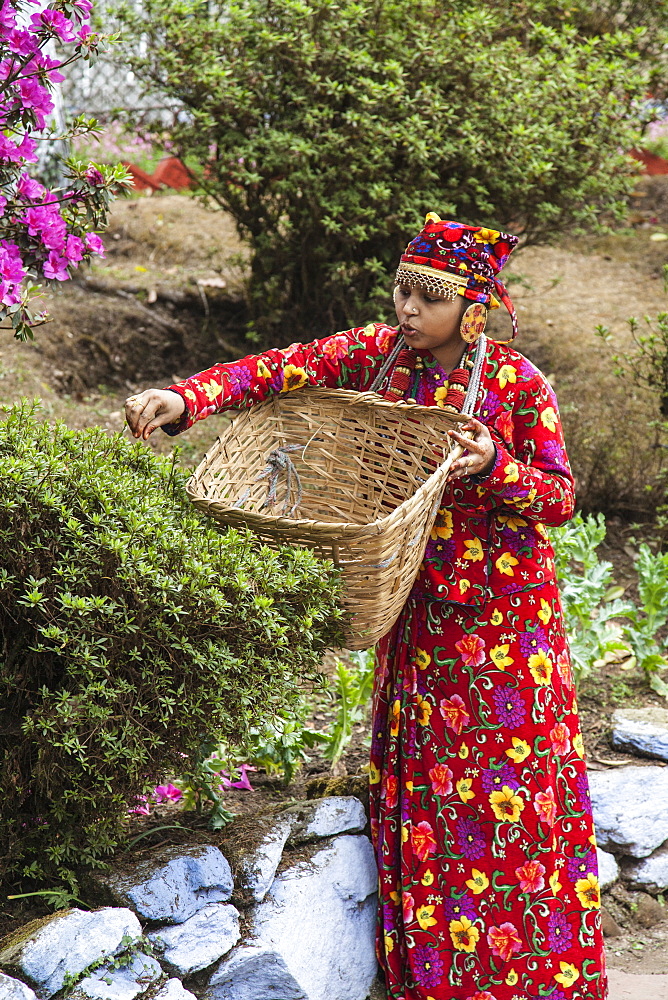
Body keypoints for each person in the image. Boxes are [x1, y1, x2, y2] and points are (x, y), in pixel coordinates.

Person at [125, 214, 607, 1000]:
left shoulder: (519, 386)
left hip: (506, 632)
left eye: (429, 297)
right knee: (428, 802)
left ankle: (532, 981)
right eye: (402, 291)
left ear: (473, 307)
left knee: (514, 804)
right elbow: (284, 368)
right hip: (415, 621)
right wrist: (186, 397)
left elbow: (559, 499)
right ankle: (440, 981)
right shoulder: (378, 358)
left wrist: (495, 466)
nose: (408, 310)